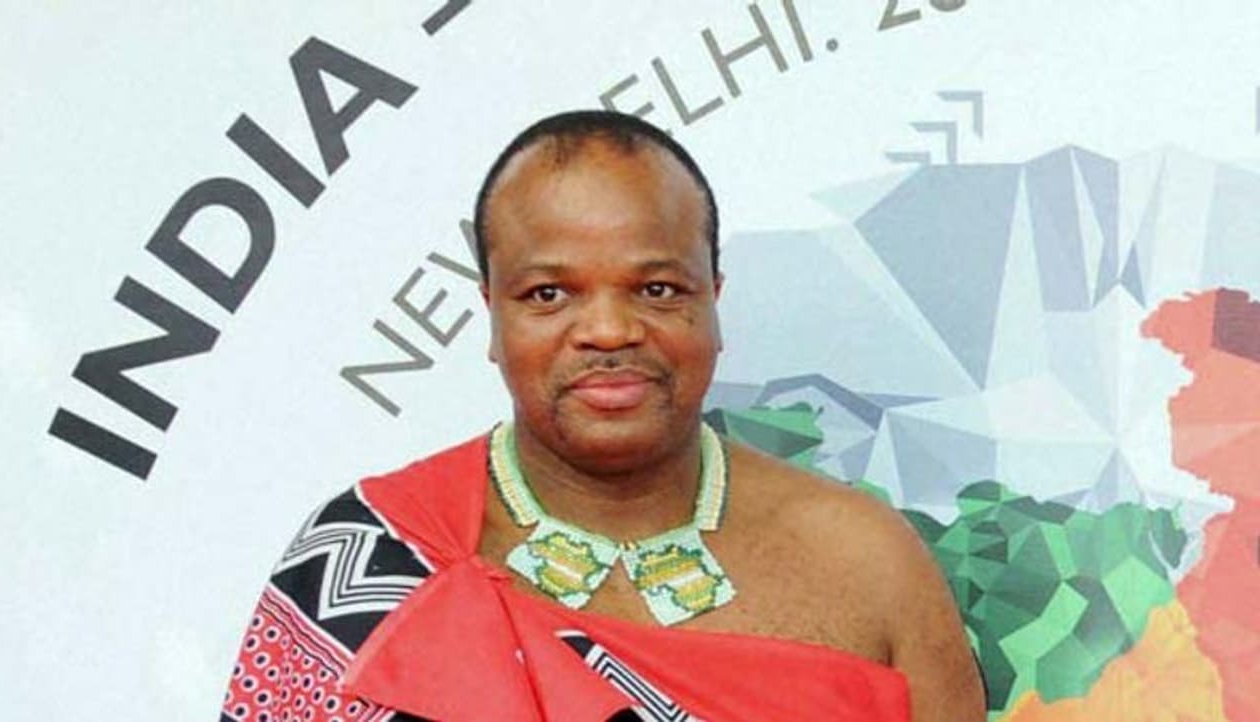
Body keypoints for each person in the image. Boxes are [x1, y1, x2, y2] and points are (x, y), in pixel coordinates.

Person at [220, 110, 986, 722]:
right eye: (548, 294)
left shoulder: (868, 559)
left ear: (713, 301)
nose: (610, 331)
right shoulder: (370, 559)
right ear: (492, 314)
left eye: (657, 290)